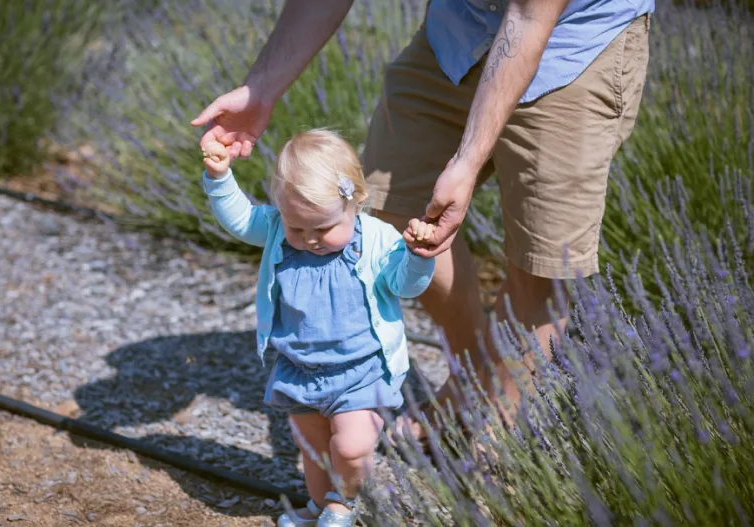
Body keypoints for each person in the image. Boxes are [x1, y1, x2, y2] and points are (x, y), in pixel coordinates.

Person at [192, 0, 653, 446]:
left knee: (542, 264)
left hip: (572, 48)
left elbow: (531, 16)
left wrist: (468, 161)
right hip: (460, 32)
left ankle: (497, 435)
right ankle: (473, 378)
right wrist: (261, 89)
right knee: (396, 213)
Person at [200, 128, 436, 526]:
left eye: (322, 229)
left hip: (361, 370)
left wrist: (419, 258)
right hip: (300, 367)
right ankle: (317, 504)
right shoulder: (278, 229)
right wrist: (220, 178)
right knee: (312, 448)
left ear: (356, 202)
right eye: (297, 228)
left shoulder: (378, 240)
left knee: (352, 446)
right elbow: (240, 221)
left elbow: (405, 286)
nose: (309, 240)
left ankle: (344, 503)